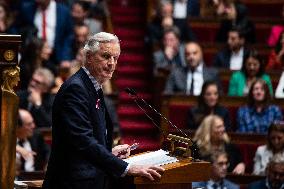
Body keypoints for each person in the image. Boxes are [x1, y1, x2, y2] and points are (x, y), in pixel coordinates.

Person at [42, 32, 164, 189]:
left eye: (116, 58)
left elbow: (87, 141)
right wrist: (126, 167)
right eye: (106, 56)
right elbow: (83, 141)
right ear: (89, 56)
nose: (112, 63)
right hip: (73, 183)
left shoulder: (93, 86)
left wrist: (109, 152)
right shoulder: (76, 88)